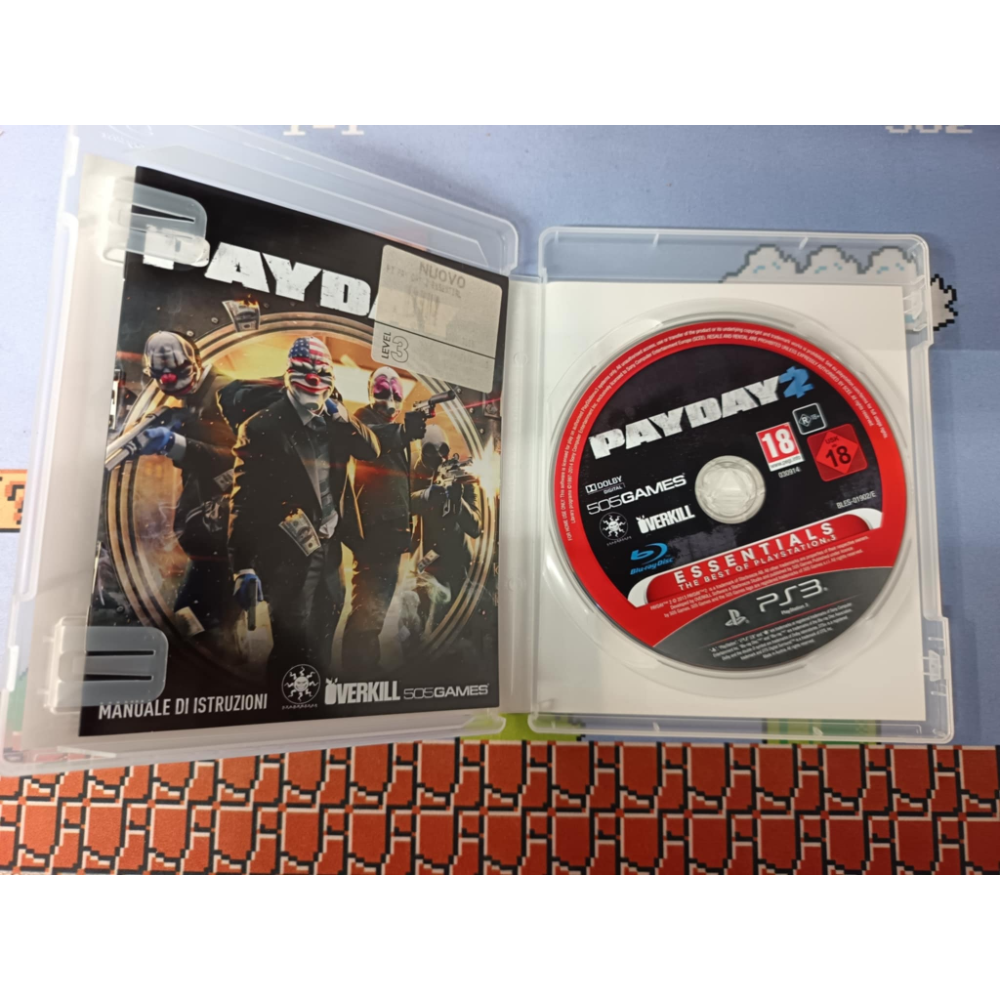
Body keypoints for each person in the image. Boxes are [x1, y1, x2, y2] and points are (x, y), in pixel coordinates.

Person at [228, 338, 380, 684]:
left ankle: (318, 693)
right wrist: (243, 565)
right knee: (292, 642)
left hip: (329, 548)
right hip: (286, 553)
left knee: (326, 624)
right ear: (289, 375)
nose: (313, 380)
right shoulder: (261, 427)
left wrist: (344, 417)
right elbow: (244, 500)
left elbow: (371, 450)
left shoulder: (336, 420)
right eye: (305, 372)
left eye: (321, 374)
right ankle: (283, 703)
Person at [137, 332, 239, 645]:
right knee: (195, 621)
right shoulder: (193, 399)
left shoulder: (226, 393)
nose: (172, 384)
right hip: (208, 535)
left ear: (194, 364)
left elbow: (239, 459)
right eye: (162, 377)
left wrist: (177, 442)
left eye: (179, 374)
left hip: (227, 533)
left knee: (205, 622)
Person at [341, 367, 428, 671]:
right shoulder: (362, 420)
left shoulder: (392, 429)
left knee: (377, 606)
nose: (389, 401)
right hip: (375, 533)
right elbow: (368, 441)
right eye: (381, 392)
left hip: (390, 533)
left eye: (395, 394)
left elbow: (402, 485)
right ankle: (359, 671)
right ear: (370, 393)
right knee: (370, 607)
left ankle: (364, 666)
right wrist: (403, 432)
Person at [409, 425, 482, 641]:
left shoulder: (462, 477)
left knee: (459, 630)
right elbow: (404, 504)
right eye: (430, 450)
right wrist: (429, 494)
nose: (439, 456)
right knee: (419, 627)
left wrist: (458, 502)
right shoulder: (415, 473)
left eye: (443, 450)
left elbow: (475, 527)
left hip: (457, 562)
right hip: (427, 561)